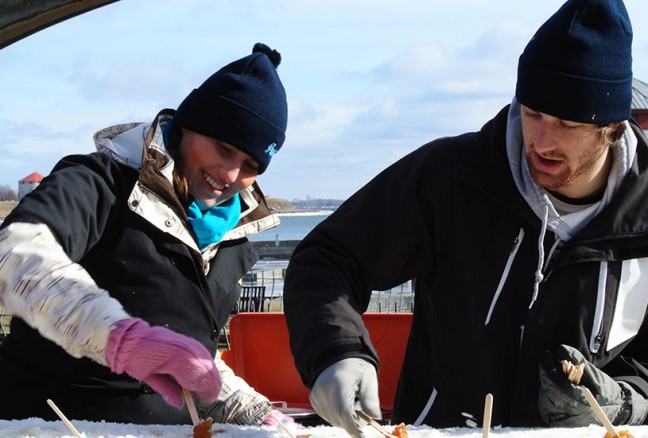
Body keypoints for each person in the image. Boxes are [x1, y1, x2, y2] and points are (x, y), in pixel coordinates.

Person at [283, 1, 648, 436]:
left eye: (567, 124)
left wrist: (624, 402)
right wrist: (336, 352)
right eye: (532, 114)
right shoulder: (450, 175)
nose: (542, 141)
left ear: (613, 128)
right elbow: (328, 258)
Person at [0, 42, 290, 426]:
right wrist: (121, 339)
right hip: (47, 422)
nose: (231, 175)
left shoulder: (232, 242)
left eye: (251, 164)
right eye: (223, 148)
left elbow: (193, 361)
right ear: (189, 123)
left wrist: (261, 417)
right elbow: (15, 256)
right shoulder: (100, 184)